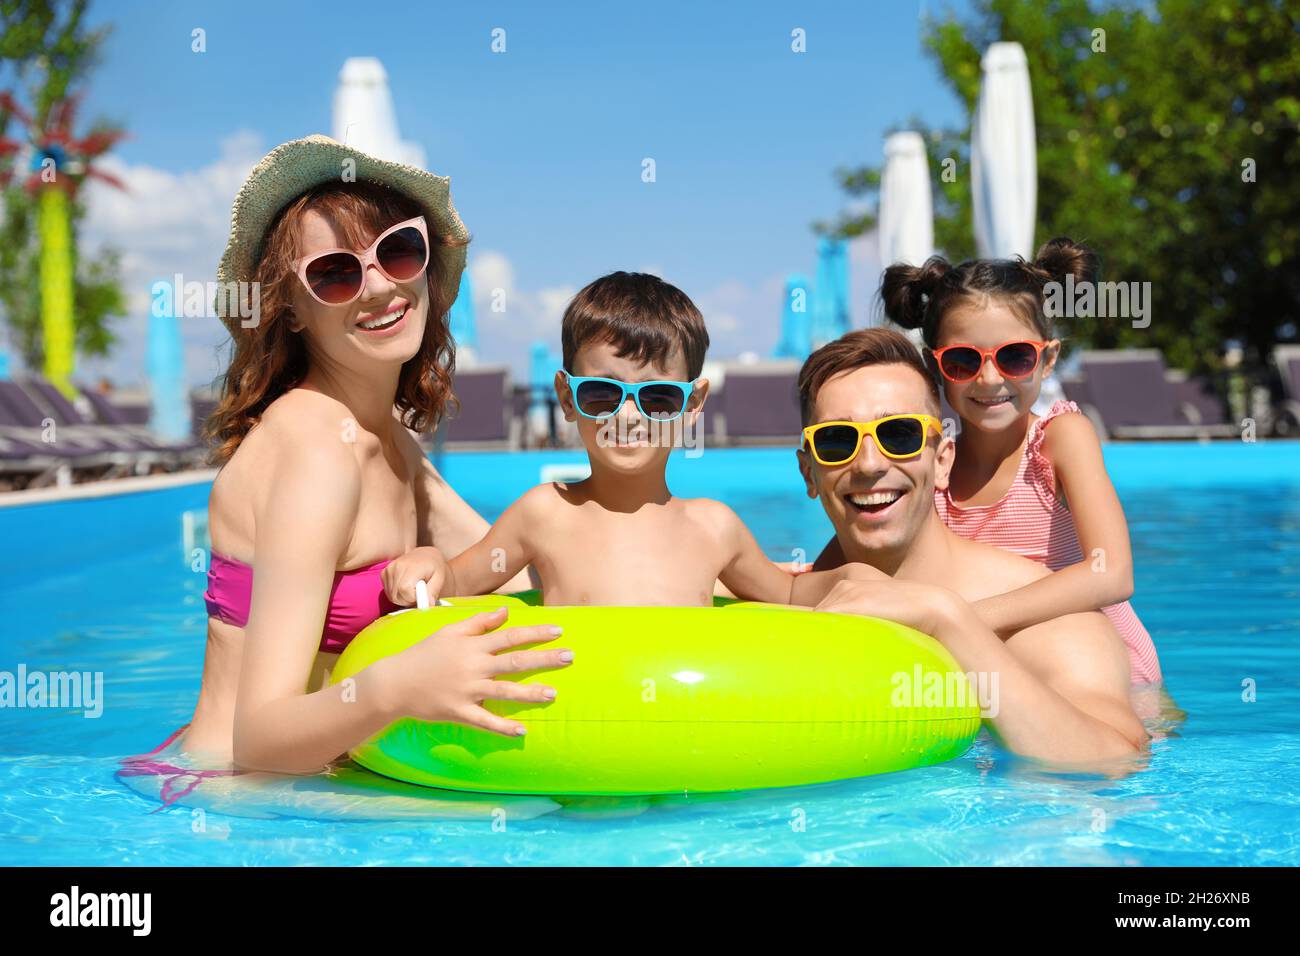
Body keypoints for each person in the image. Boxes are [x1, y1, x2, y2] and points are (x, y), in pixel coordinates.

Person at [134, 136, 573, 796]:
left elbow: (514, 574)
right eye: (336, 274)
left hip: (301, 793)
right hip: (230, 801)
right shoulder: (318, 452)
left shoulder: (388, 442)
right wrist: (397, 687)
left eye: (397, 251)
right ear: (294, 311)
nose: (378, 287)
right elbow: (262, 737)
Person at [384, 272, 876, 606]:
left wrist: (857, 579)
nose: (627, 414)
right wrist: (430, 565)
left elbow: (788, 598)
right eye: (601, 393)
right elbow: (459, 583)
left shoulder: (714, 527)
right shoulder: (544, 514)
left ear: (692, 405)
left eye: (658, 397)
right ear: (567, 396)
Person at [796, 328, 1147, 763]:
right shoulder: (807, 597)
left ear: (942, 461)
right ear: (809, 473)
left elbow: (1117, 760)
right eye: (836, 441)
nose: (869, 464)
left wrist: (948, 620)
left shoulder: (1054, 626)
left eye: (899, 435)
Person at [881, 238, 1161, 684]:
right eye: (962, 361)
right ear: (935, 369)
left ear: (1048, 359)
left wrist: (963, 620)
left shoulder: (1060, 438)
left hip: (1108, 669)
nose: (990, 379)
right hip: (1002, 669)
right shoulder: (934, 462)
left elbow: (1113, 573)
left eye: (1014, 357)